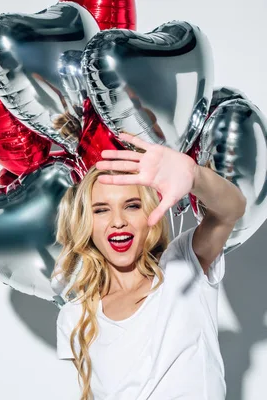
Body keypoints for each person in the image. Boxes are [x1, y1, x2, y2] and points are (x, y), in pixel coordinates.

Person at [52, 133, 247, 400]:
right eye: (101, 210)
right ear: (87, 224)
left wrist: (193, 175)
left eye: (132, 206)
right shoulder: (75, 317)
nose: (117, 221)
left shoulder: (183, 267)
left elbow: (231, 210)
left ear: (149, 214)